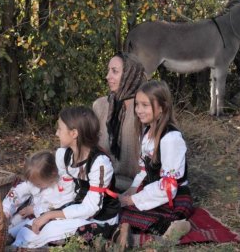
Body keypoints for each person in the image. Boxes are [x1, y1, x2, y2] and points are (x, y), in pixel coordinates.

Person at [12, 106, 123, 249]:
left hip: (99, 215)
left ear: (74, 133)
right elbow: (64, 189)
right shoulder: (64, 155)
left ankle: (111, 232)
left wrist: (50, 215)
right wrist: (45, 210)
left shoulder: (100, 163)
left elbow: (91, 207)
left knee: (51, 229)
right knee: (31, 227)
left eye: (60, 129)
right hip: (75, 206)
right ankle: (19, 244)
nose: (57, 133)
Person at [118, 80, 194, 243]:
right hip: (154, 190)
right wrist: (132, 190)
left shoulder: (171, 138)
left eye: (145, 105)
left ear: (162, 107)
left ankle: (171, 227)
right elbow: (145, 169)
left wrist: (133, 200)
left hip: (174, 196)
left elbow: (169, 186)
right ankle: (157, 227)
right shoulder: (146, 131)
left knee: (123, 213)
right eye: (137, 104)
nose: (138, 110)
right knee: (114, 206)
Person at [93, 52, 146, 191]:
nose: (107, 76)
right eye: (108, 71)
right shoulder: (100, 105)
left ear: (131, 75)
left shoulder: (144, 109)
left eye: (114, 71)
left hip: (137, 185)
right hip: (102, 181)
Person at [2, 150, 75, 247]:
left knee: (27, 230)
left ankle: (15, 243)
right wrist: (6, 210)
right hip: (28, 216)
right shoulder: (35, 181)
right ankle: (7, 236)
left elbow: (58, 209)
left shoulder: (61, 188)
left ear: (52, 175)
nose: (35, 185)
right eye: (33, 183)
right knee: (12, 222)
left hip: (44, 220)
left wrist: (33, 210)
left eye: (38, 184)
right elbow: (17, 193)